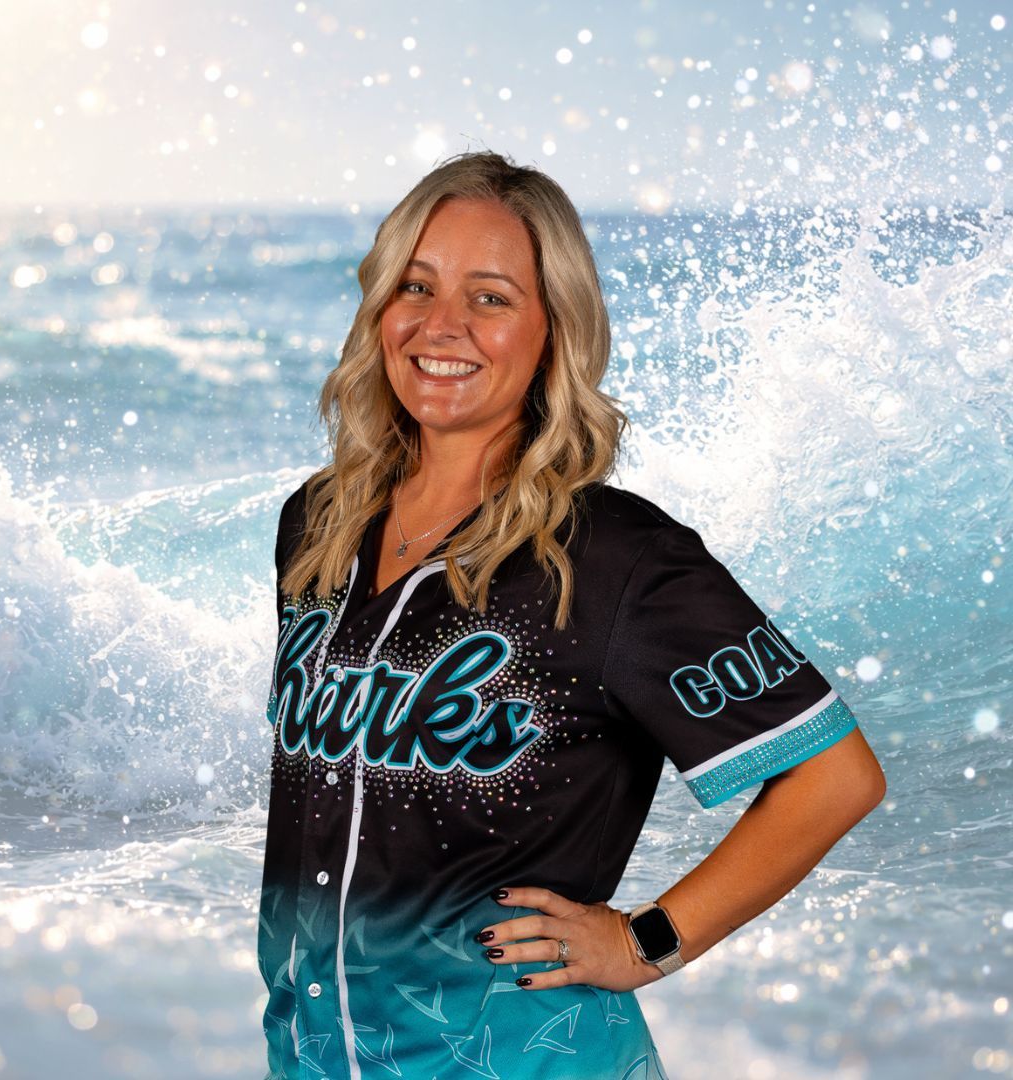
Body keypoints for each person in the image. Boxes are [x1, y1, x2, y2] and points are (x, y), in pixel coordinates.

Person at [256, 150, 886, 1080]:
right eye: (416, 286)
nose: (441, 325)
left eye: (491, 298)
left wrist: (645, 941)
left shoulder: (616, 557)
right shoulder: (317, 525)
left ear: (555, 331)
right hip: (313, 1060)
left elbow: (834, 776)